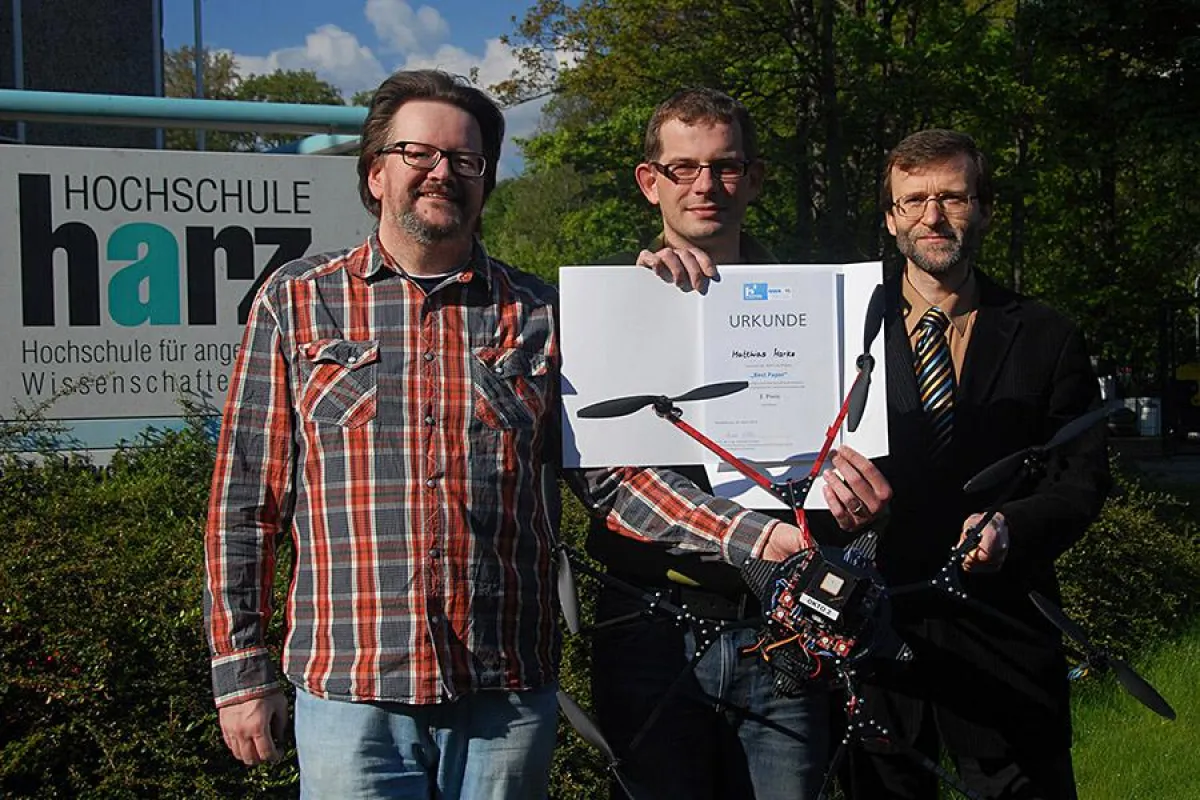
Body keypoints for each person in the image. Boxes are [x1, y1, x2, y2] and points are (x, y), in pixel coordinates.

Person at [203, 69, 561, 800]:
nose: (442, 172)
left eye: (465, 160)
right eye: (418, 153)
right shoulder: (297, 302)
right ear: (375, 174)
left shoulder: (540, 313)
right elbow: (245, 500)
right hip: (350, 693)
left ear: (486, 180)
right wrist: (240, 670)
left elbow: (615, 475)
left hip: (505, 691)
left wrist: (665, 289)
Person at [578, 87, 893, 800]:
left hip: (782, 629)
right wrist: (754, 536)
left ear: (753, 178)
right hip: (647, 625)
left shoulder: (822, 309)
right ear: (649, 181)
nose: (705, 186)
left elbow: (854, 466)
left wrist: (866, 513)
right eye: (683, 167)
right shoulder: (608, 307)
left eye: (725, 167)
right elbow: (606, 482)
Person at [840, 129, 1110, 799]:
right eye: (914, 200)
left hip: (1007, 630)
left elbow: (1081, 478)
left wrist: (1012, 526)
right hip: (875, 631)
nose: (933, 216)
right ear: (891, 217)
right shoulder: (841, 325)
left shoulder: (1046, 334)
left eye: (953, 197)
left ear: (983, 208)